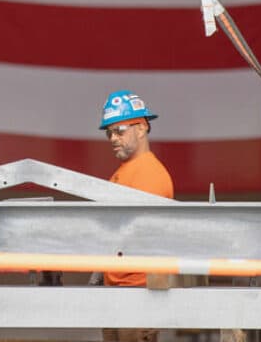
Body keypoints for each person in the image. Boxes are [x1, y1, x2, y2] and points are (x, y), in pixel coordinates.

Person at [97, 90, 174, 342]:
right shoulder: (123, 173)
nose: (112, 138)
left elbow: (137, 235)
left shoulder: (150, 174)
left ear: (141, 128)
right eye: (109, 132)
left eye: (119, 130)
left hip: (139, 293)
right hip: (117, 292)